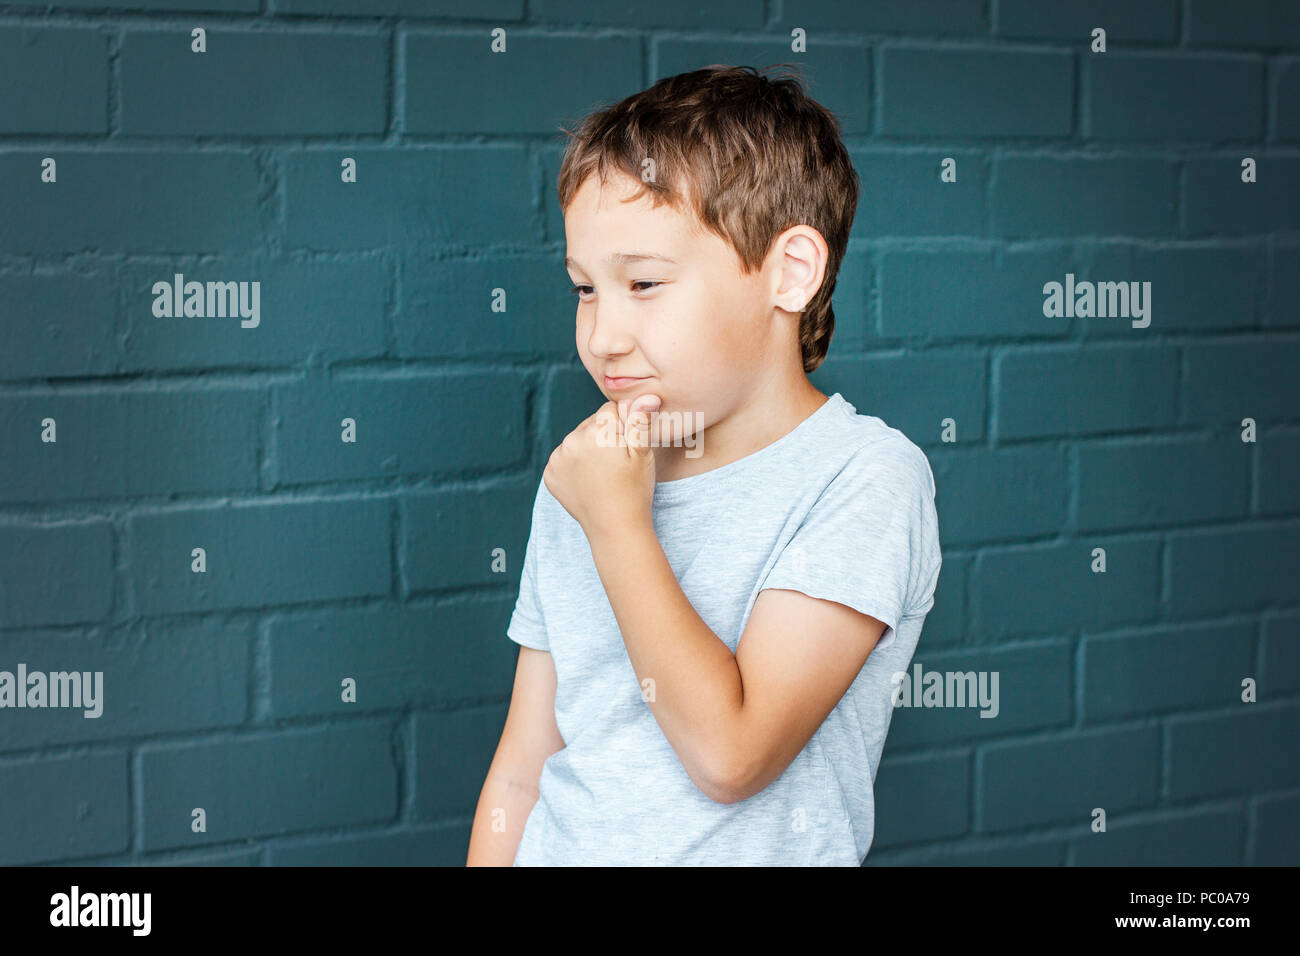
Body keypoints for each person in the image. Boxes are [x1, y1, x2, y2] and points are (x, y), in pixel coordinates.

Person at [467, 64, 941, 866]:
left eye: (644, 282)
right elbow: (523, 767)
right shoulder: (589, 474)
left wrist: (617, 522)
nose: (602, 336)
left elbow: (731, 757)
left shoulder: (865, 477)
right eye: (585, 288)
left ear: (791, 272)